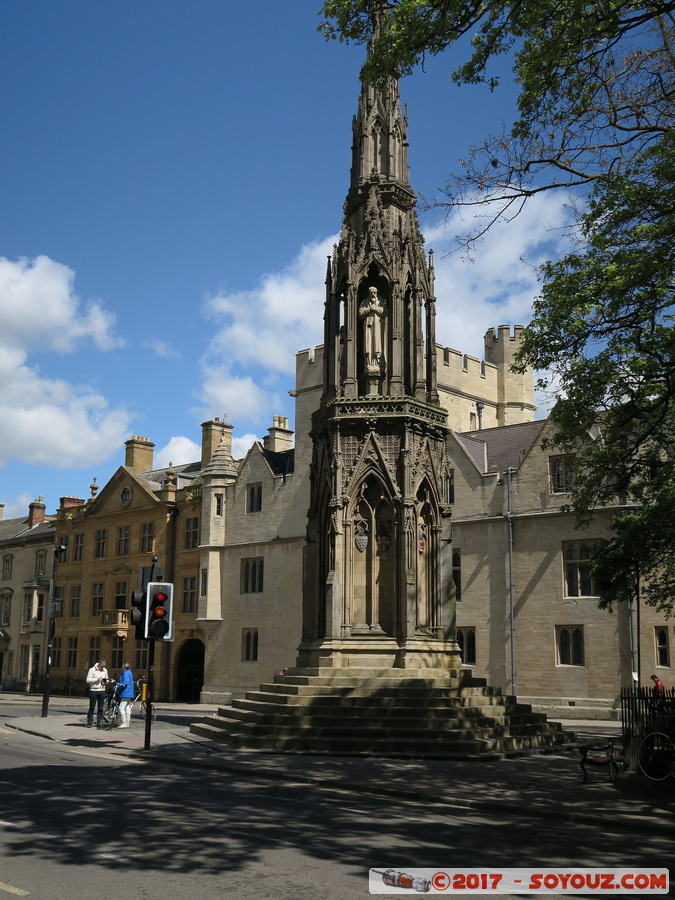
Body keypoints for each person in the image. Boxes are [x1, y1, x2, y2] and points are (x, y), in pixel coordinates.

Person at [86, 659, 108, 728]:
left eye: (104, 666)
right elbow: (88, 680)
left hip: (102, 690)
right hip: (94, 690)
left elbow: (107, 679)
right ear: (99, 664)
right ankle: (90, 722)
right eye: (102, 666)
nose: (103, 668)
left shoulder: (105, 670)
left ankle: (99, 722)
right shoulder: (92, 670)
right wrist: (96, 679)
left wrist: (106, 681)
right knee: (92, 707)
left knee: (101, 708)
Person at [116, 662, 135, 728]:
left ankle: (124, 723)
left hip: (125, 692)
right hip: (129, 692)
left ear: (124, 667)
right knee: (127, 707)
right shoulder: (129, 672)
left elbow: (125, 683)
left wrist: (117, 687)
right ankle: (127, 722)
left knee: (121, 707)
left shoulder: (126, 673)